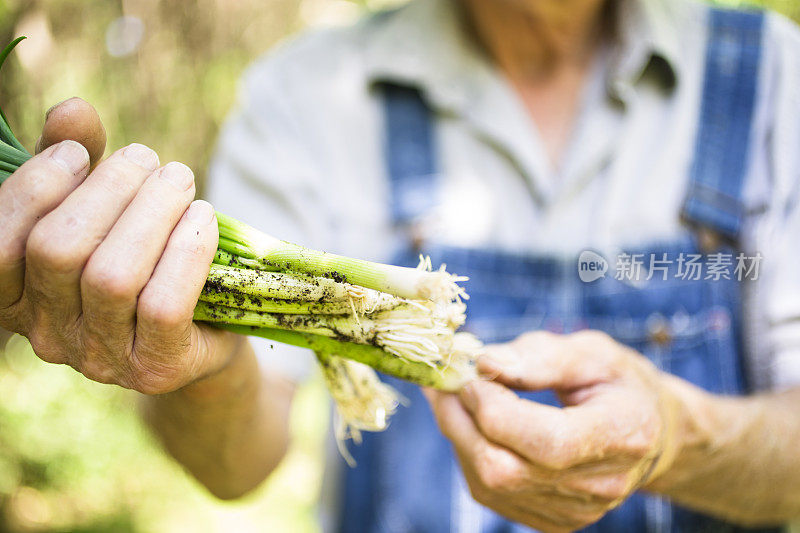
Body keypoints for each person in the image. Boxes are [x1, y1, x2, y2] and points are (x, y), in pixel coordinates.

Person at [1, 0, 800, 530]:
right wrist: (188, 359)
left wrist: (675, 439)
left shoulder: (771, 80)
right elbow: (237, 464)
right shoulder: (303, 94)